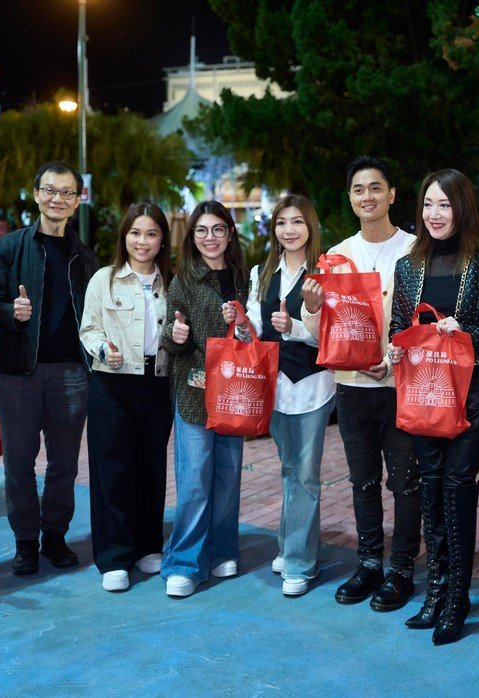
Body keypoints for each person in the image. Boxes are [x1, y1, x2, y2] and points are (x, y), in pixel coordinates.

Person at [388, 168, 479, 645]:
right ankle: (437, 589)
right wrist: (396, 347)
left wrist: (465, 333)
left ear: (462, 207)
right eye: (428, 204)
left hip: (471, 393)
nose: (435, 214)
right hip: (423, 389)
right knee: (430, 483)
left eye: (444, 204)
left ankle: (457, 596)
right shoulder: (408, 266)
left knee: (458, 485)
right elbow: (398, 326)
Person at [300, 156, 421, 612]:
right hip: (352, 388)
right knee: (363, 480)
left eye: (375, 187)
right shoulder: (338, 255)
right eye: (358, 189)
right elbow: (325, 333)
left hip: (402, 387)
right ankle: (370, 562)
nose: (367, 196)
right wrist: (312, 306)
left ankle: (402, 568)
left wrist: (391, 360)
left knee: (405, 482)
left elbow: (425, 321)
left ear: (391, 195)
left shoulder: (416, 249)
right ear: (350, 199)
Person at [0, 161, 97, 576]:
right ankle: (26, 542)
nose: (57, 199)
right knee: (18, 464)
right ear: (36, 194)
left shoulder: (86, 257)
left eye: (67, 192)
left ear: (78, 200)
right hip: (19, 373)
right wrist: (10, 312)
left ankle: (56, 536)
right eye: (50, 190)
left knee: (64, 465)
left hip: (71, 375)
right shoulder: (10, 248)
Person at [223, 194, 334, 597]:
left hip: (313, 386)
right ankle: (290, 546)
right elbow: (254, 325)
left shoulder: (326, 271)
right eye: (282, 222)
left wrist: (296, 328)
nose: (289, 230)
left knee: (305, 474)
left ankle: (301, 562)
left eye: (297, 222)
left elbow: (332, 334)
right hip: (275, 386)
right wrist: (240, 322)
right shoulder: (262, 271)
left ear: (310, 227)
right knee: (290, 470)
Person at [79, 203, 174, 592]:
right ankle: (115, 557)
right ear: (125, 236)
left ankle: (149, 544)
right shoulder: (104, 279)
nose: (142, 241)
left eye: (151, 233)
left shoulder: (172, 282)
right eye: (135, 233)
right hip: (112, 382)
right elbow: (89, 329)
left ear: (162, 240)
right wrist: (104, 350)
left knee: (151, 466)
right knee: (113, 469)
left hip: (158, 383)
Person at [161, 200, 248, 598]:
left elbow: (253, 335)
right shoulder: (183, 280)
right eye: (201, 230)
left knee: (228, 477)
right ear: (192, 236)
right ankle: (184, 563)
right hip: (195, 394)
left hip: (235, 392)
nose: (209, 237)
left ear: (229, 233)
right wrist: (175, 336)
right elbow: (171, 335)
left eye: (217, 229)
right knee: (195, 480)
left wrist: (242, 325)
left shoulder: (243, 277)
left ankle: (222, 550)